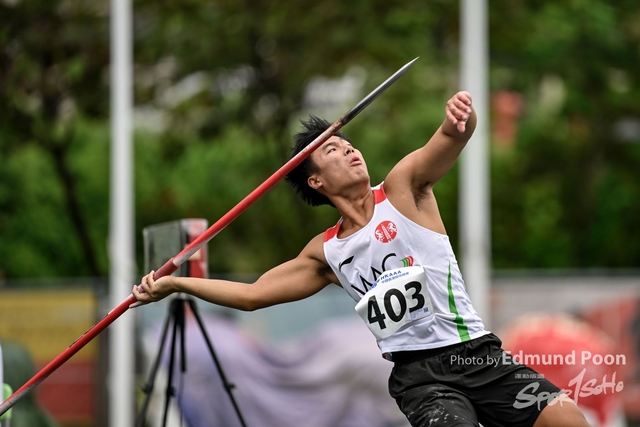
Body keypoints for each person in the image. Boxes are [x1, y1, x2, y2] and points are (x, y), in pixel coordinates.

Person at [133, 91, 591, 427]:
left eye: (348, 143)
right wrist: (175, 283)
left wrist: (461, 119)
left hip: (477, 356)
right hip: (422, 379)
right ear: (316, 182)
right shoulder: (326, 252)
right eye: (332, 150)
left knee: (569, 420)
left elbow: (450, 137)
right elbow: (253, 295)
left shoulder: (404, 189)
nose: (350, 149)